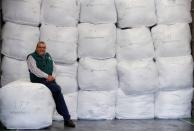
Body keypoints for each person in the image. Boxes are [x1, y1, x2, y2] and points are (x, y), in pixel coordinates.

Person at [26, 41, 75, 128]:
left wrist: (52, 76)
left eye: (44, 47)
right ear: (36, 48)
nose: (42, 49)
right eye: (40, 47)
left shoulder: (48, 55)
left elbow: (54, 67)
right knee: (57, 89)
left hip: (49, 80)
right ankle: (67, 118)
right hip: (39, 81)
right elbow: (34, 70)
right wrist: (46, 76)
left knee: (58, 91)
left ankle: (66, 118)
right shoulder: (31, 57)